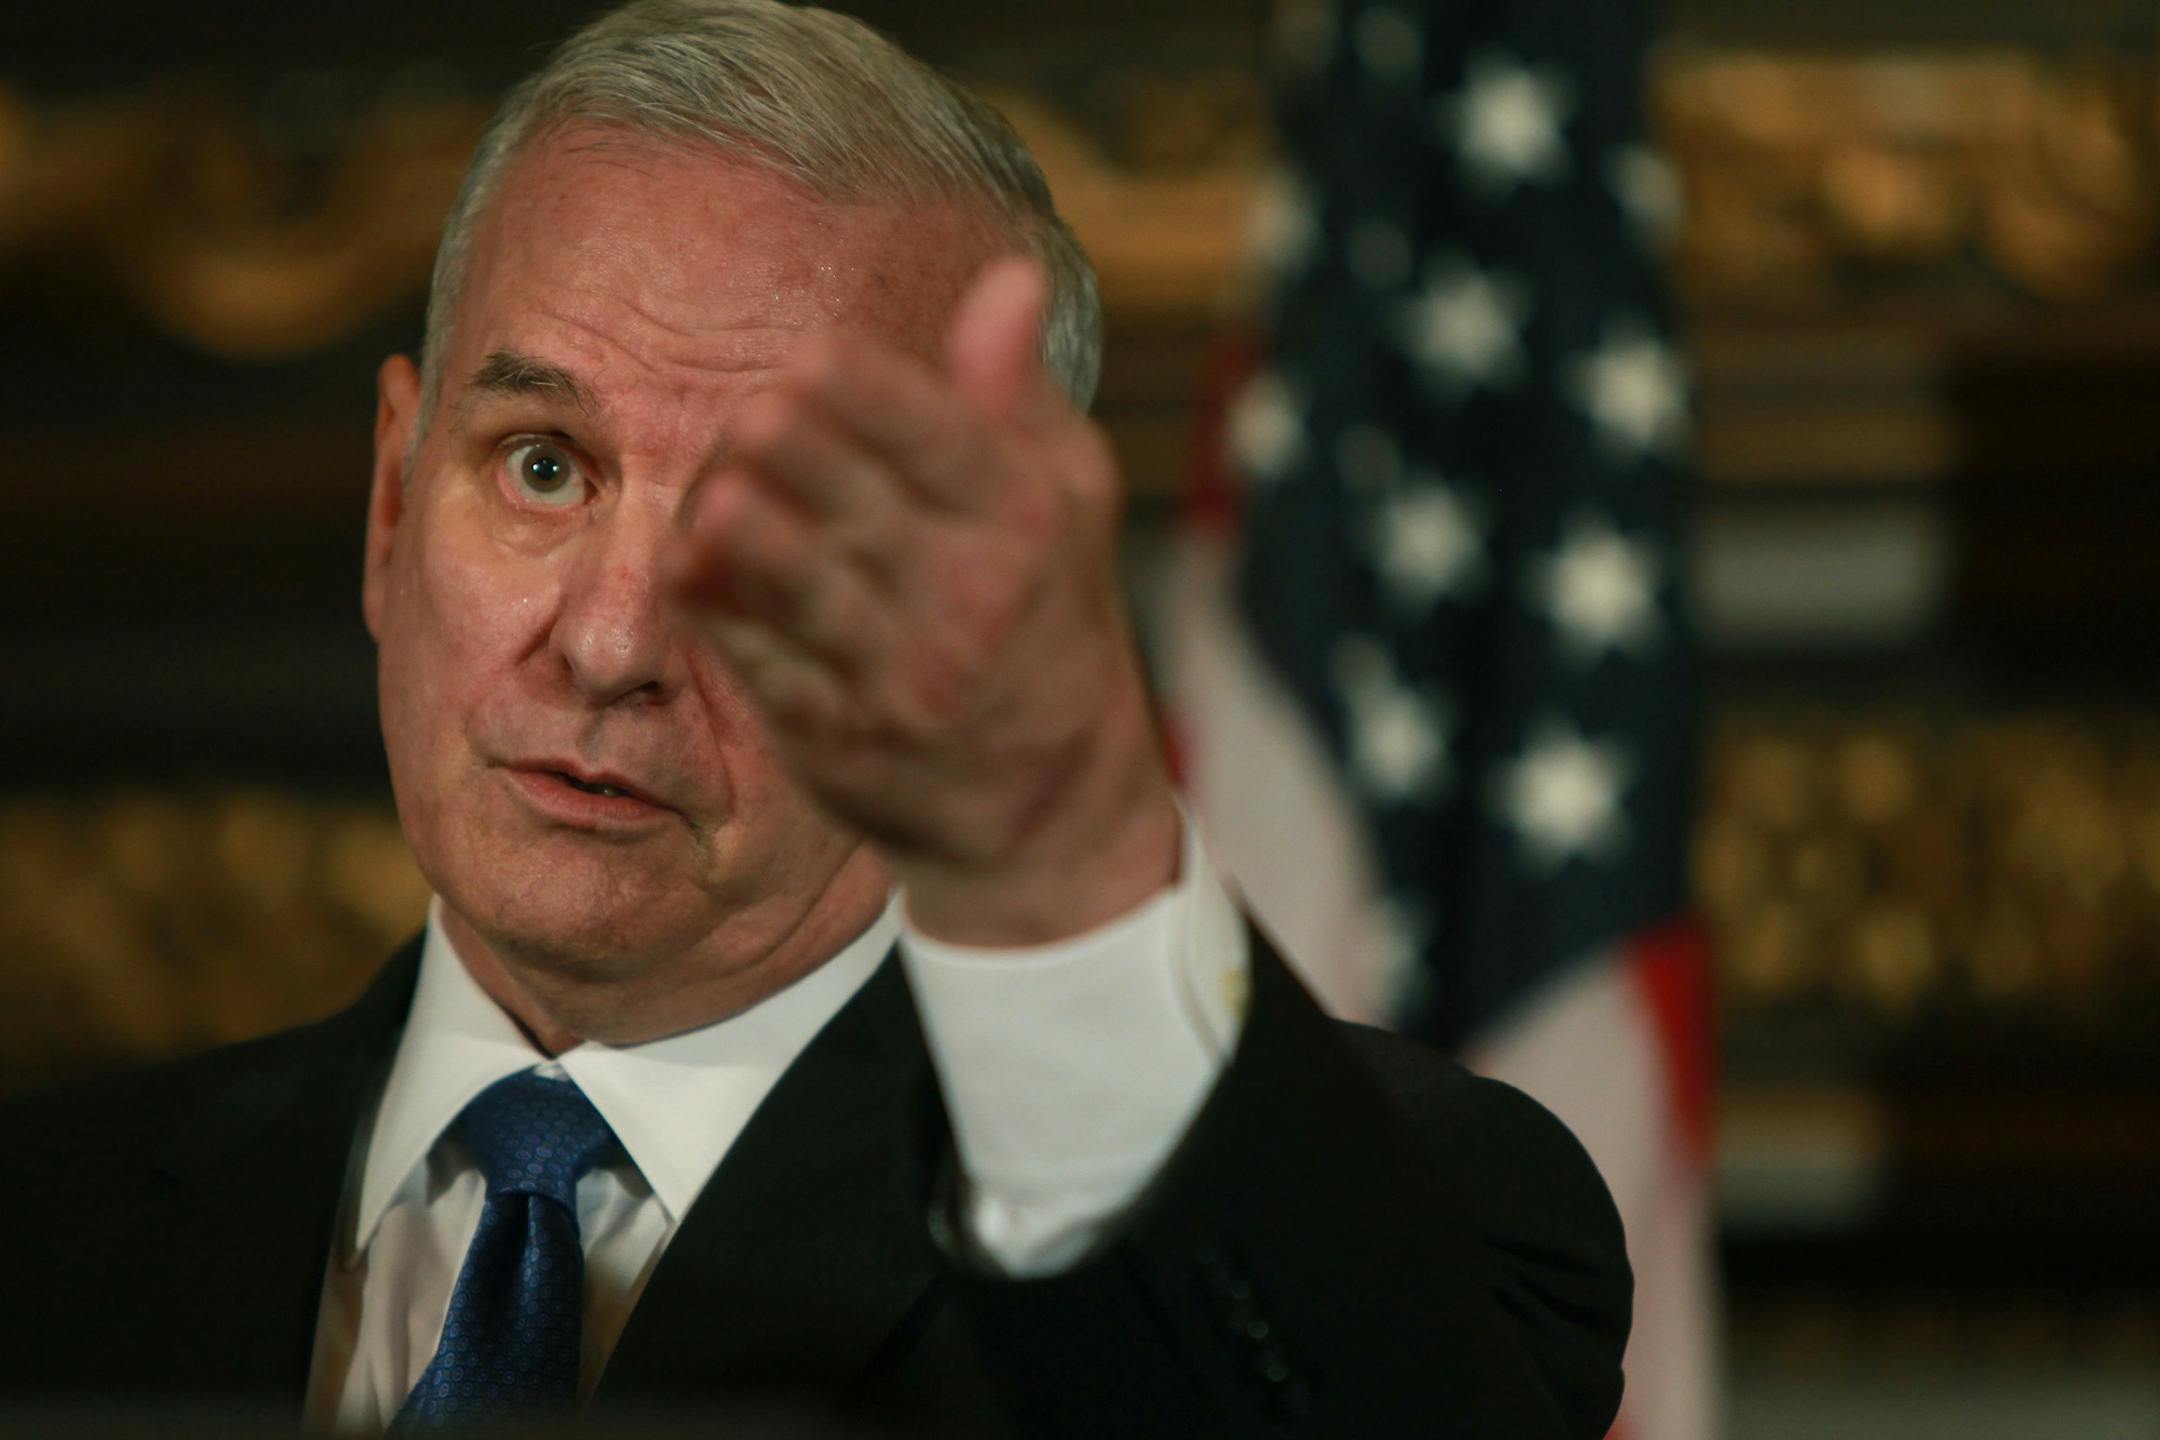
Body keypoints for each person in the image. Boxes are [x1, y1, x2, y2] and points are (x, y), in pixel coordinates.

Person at [0, 3, 1630, 1435]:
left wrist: (1060, 847)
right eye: (543, 465)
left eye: (776, 526)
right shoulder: (43, 1231)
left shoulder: (1414, 1221)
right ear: (387, 503)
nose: (615, 640)